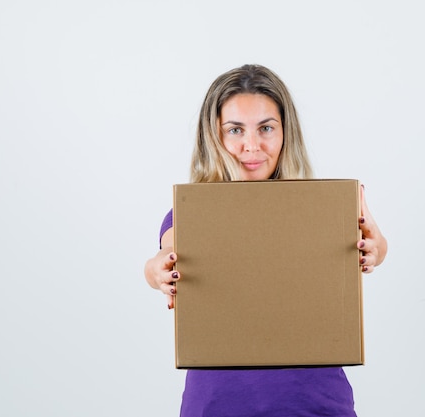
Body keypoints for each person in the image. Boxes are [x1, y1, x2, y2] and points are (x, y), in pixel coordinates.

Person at [144, 64, 388, 417]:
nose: (251, 145)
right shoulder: (193, 213)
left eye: (266, 128)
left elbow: (373, 243)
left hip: (314, 405)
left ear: (286, 133)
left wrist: (376, 250)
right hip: (219, 407)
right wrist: (157, 271)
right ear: (214, 137)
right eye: (235, 130)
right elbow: (164, 255)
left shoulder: (322, 208)